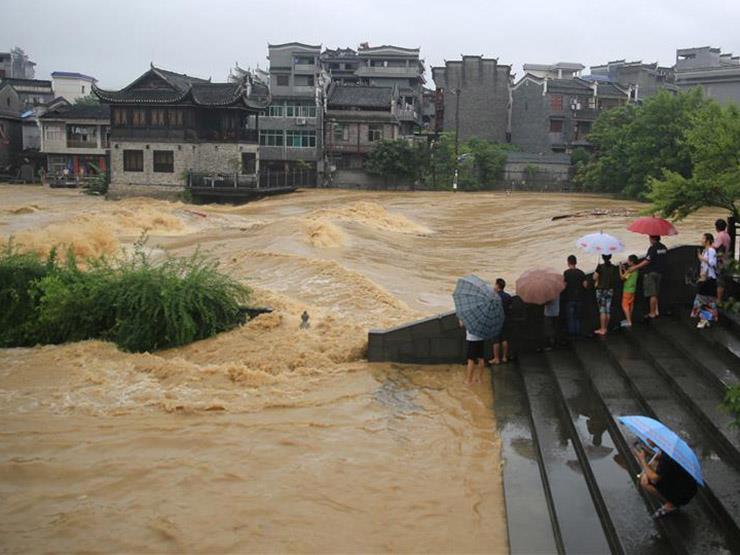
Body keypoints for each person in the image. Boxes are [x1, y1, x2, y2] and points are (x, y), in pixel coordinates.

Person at [634, 441, 698, 519]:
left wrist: (642, 460)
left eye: (649, 438)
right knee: (649, 472)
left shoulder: (666, 457)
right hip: (686, 484)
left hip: (683, 493)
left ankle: (671, 504)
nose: (647, 440)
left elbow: (654, 478)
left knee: (645, 481)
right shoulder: (668, 450)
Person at [632, 235, 668, 320]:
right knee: (656, 293)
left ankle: (652, 313)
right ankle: (656, 311)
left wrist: (635, 267)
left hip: (651, 273)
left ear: (653, 239)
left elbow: (647, 261)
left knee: (652, 294)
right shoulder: (664, 247)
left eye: (650, 238)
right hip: (660, 273)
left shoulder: (653, 248)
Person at [691, 233, 718, 328]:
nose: (701, 240)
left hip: (709, 279)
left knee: (703, 299)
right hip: (705, 279)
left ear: (707, 241)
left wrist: (702, 258)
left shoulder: (711, 250)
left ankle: (704, 319)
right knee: (705, 299)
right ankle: (705, 319)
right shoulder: (706, 251)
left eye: (703, 238)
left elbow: (712, 263)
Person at [593, 254, 620, 336]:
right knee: (607, 310)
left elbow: (594, 277)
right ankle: (606, 327)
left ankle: (603, 329)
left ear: (602, 257)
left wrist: (596, 273)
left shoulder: (600, 267)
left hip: (601, 290)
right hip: (610, 290)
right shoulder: (613, 267)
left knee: (602, 310)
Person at [563, 255, 588, 337]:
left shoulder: (566, 273)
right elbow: (585, 285)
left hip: (570, 298)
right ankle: (578, 333)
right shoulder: (581, 273)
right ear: (576, 262)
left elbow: (564, 286)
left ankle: (572, 335)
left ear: (568, 263)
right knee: (577, 317)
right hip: (579, 298)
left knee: (571, 318)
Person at [490, 278, 512, 365]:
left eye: (495, 284)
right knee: (504, 339)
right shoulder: (508, 296)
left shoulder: (494, 297)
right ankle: (504, 357)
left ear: (498, 286)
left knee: (496, 340)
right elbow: (510, 307)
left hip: (496, 320)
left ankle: (496, 358)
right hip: (506, 320)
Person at [461, 320, 485, 385]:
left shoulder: (470, 314)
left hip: (472, 339)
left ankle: (469, 380)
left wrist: (461, 319)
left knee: (471, 360)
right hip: (481, 337)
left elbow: (461, 324)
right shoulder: (482, 312)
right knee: (481, 358)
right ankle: (480, 379)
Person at [713, 219, 731, 305]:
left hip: (721, 261)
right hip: (726, 260)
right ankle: (724, 299)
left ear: (716, 227)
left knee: (720, 281)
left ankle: (719, 300)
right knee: (724, 280)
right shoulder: (727, 235)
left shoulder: (720, 236)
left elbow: (716, 247)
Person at [619, 255, 640, 328]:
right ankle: (629, 319)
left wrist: (620, 269)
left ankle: (629, 321)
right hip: (633, 290)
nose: (627, 261)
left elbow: (622, 278)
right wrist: (624, 269)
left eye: (628, 260)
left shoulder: (630, 269)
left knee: (624, 305)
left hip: (627, 290)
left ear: (631, 262)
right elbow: (628, 275)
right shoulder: (635, 269)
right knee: (630, 304)